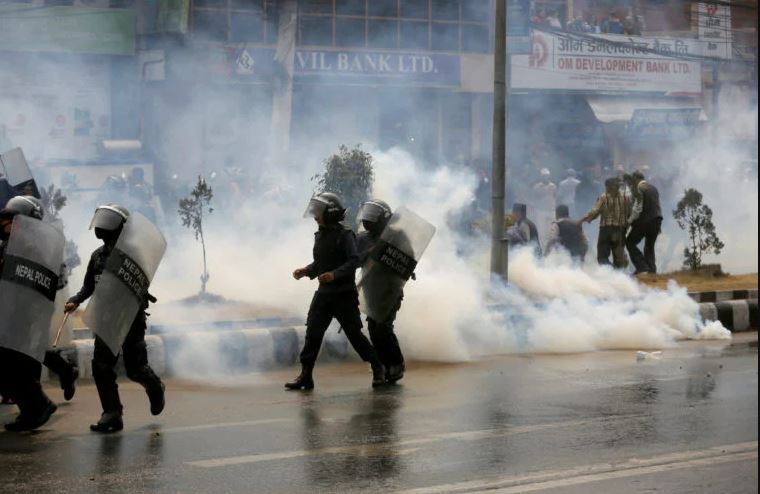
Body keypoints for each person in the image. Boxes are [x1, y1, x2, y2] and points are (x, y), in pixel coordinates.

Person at [64, 204, 165, 432]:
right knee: (101, 366)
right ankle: (111, 413)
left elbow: (142, 283)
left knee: (135, 369)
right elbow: (89, 286)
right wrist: (76, 300)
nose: (102, 227)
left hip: (130, 319)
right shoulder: (97, 256)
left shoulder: (134, 254)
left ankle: (155, 386)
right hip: (106, 318)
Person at [289, 192, 385, 390]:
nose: (315, 216)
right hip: (324, 295)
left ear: (330, 213)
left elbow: (354, 261)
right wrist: (306, 271)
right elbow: (320, 263)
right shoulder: (320, 234)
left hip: (344, 295)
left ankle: (377, 367)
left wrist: (334, 275)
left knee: (354, 335)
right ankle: (306, 375)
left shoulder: (346, 235)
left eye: (318, 212)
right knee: (313, 333)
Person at [0, 196, 64, 430]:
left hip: (22, 316)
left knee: (13, 365)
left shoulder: (32, 248)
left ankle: (38, 406)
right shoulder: (9, 244)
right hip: (9, 314)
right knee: (11, 366)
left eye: (12, 220)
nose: (6, 224)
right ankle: (33, 409)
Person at [356, 199, 407, 384]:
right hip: (371, 289)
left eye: (373, 216)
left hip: (390, 289)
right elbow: (354, 259)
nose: (367, 220)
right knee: (373, 328)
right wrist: (370, 252)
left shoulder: (397, 237)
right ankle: (383, 365)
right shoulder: (361, 239)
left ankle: (396, 364)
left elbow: (406, 259)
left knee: (384, 327)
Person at [578, 177, 631, 268]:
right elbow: (630, 214)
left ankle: (610, 272)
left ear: (609, 187)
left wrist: (582, 220)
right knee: (618, 259)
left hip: (606, 230)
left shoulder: (604, 197)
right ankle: (618, 277)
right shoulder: (626, 198)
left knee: (602, 257)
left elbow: (595, 211)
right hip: (620, 230)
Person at [625, 170, 663, 274]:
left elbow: (637, 209)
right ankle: (651, 271)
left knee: (629, 242)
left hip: (644, 222)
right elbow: (658, 206)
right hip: (656, 220)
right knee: (649, 247)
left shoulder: (638, 189)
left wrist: (629, 222)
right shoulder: (654, 188)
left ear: (636, 179)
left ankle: (642, 267)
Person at [531, 168, 557, 245]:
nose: (546, 177)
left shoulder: (553, 186)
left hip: (551, 210)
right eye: (544, 176)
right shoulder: (537, 187)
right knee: (541, 229)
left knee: (552, 229)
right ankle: (542, 245)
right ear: (541, 176)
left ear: (549, 176)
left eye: (547, 176)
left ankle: (551, 245)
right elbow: (535, 198)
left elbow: (555, 196)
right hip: (541, 210)